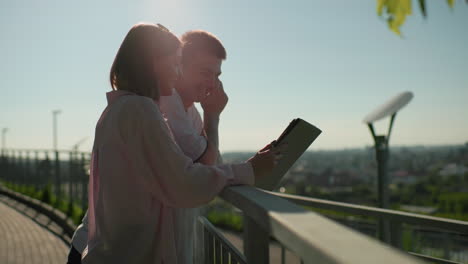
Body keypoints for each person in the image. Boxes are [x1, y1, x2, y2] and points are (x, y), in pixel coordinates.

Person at [80, 23, 281, 264]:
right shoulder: (139, 109)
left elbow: (202, 167)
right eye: (174, 63)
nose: (176, 73)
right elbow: (183, 182)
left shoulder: (125, 107)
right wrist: (250, 169)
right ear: (152, 62)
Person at [67, 29, 232, 264]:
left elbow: (212, 165)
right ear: (177, 64)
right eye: (205, 72)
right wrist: (213, 117)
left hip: (121, 249)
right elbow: (198, 174)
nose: (212, 83)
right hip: (117, 251)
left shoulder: (189, 113)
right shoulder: (159, 105)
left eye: (217, 75)